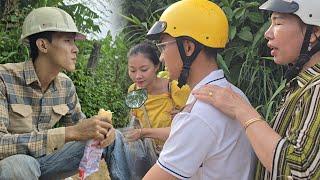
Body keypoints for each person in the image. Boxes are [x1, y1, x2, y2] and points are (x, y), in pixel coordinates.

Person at [192, 0, 320, 179]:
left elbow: (299, 171)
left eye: (278, 22)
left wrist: (242, 110)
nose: (267, 33)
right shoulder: (300, 85)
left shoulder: (316, 88)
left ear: (314, 32)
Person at [143, 0, 256, 179]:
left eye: (163, 46)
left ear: (188, 47)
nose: (162, 57)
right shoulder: (234, 94)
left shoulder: (198, 115)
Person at [0, 7, 115, 179]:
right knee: (22, 165)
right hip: (10, 166)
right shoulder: (4, 78)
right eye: (68, 41)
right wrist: (68, 133)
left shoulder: (65, 85)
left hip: (46, 162)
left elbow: (81, 128)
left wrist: (101, 131)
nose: (75, 49)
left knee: (113, 136)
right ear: (43, 45)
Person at [104, 41, 190, 180]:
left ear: (156, 66)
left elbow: (186, 132)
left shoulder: (176, 89)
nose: (138, 76)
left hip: (173, 159)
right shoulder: (133, 90)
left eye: (144, 70)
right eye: (132, 70)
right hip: (147, 154)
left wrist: (143, 133)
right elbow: (136, 121)